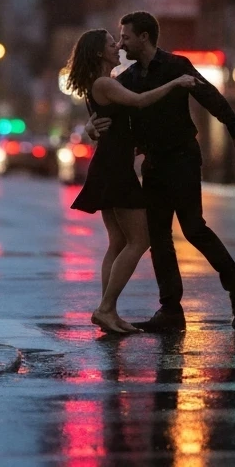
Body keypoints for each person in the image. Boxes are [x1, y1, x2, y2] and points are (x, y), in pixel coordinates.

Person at [88, 11, 235, 333]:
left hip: (182, 157)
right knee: (159, 237)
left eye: (125, 37)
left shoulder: (177, 66)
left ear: (145, 37)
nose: (121, 44)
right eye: (118, 39)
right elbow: (104, 105)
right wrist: (89, 125)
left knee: (193, 228)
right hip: (153, 163)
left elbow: (210, 96)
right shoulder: (129, 78)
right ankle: (170, 309)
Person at [64, 28, 198, 335]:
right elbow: (139, 102)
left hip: (111, 164)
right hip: (114, 168)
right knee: (140, 240)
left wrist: (93, 128)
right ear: (99, 52)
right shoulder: (104, 83)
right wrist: (175, 83)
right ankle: (105, 308)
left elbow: (117, 123)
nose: (118, 48)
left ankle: (108, 310)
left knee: (119, 242)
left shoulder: (102, 84)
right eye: (112, 44)